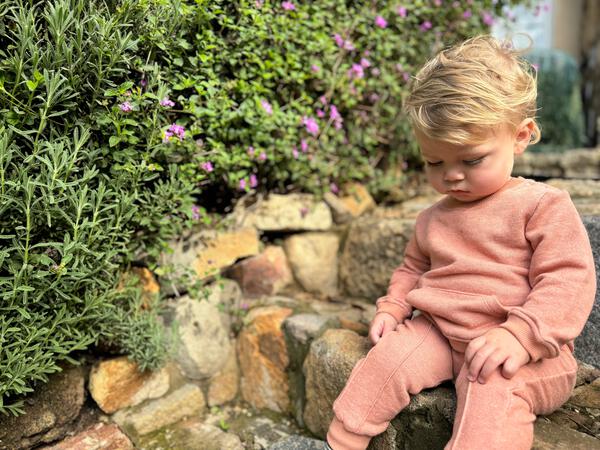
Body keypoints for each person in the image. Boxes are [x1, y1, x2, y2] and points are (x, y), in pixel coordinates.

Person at [325, 35, 596, 450]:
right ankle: (344, 438)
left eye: (471, 160)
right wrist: (394, 306)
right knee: (386, 359)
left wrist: (521, 336)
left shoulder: (541, 204)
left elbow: (569, 280)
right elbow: (413, 270)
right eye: (435, 162)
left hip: (525, 351)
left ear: (520, 136)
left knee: (495, 385)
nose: (451, 175)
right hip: (438, 331)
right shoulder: (432, 217)